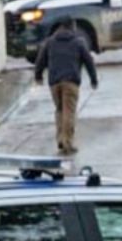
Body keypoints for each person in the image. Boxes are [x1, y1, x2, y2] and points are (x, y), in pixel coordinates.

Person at [34, 16, 98, 155]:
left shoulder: (49, 42)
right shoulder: (78, 42)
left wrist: (38, 76)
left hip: (54, 83)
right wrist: (93, 79)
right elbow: (88, 61)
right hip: (71, 82)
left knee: (59, 110)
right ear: (72, 27)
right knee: (69, 112)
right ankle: (67, 142)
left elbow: (40, 60)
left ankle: (60, 139)